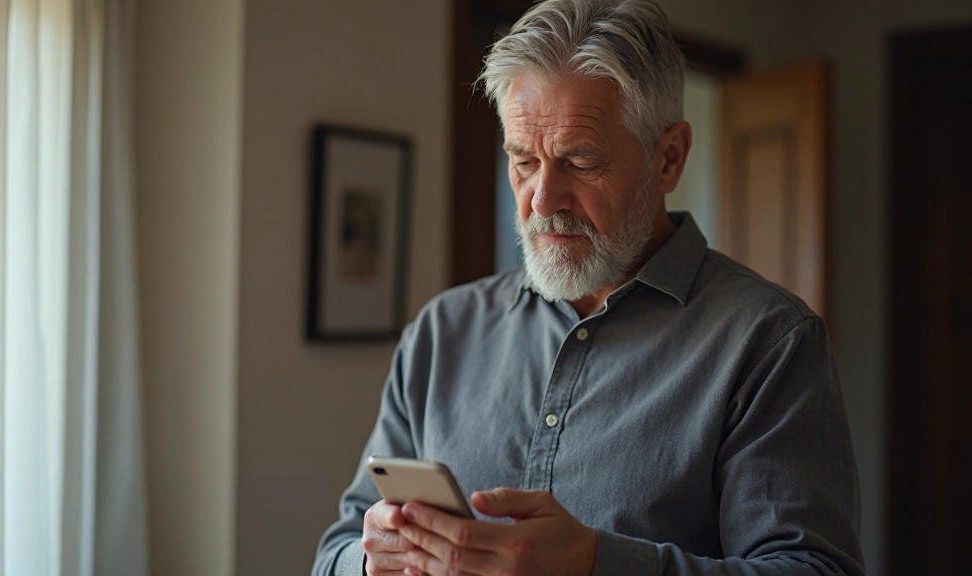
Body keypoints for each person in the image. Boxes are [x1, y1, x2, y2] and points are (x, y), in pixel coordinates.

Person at [312, 0, 864, 574]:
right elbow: (334, 552)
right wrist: (370, 558)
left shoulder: (769, 343)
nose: (542, 201)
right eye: (523, 161)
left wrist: (597, 564)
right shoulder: (441, 331)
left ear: (668, 159)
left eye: (578, 162)